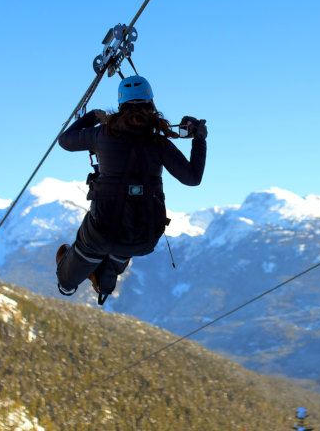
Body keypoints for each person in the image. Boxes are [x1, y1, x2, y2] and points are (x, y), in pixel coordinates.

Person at [55, 75, 207, 303]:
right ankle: (105, 283)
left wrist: (93, 116)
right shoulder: (160, 143)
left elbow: (65, 140)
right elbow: (193, 178)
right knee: (123, 244)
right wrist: (199, 139)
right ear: (151, 104)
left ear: (120, 106)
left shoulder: (101, 135)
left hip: (101, 231)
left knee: (70, 273)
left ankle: (74, 277)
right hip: (144, 236)